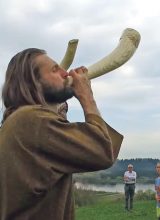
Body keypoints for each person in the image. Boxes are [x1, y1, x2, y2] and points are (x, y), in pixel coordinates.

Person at [0, 48, 123, 220]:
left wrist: (58, 111)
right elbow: (102, 151)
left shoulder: (18, 121)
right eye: (54, 69)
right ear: (34, 81)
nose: (66, 73)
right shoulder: (31, 119)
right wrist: (87, 97)